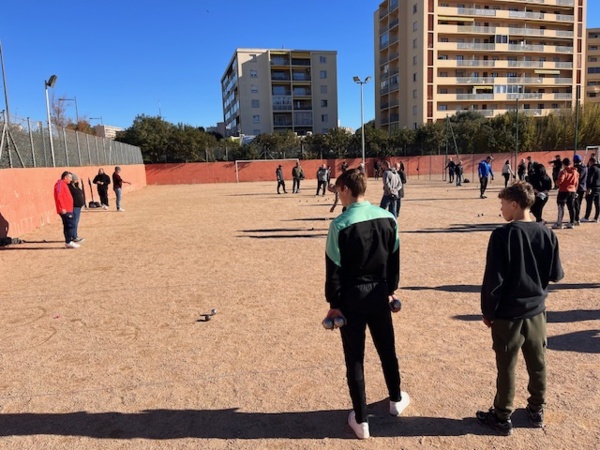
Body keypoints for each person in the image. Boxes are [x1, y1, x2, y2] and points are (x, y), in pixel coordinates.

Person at [324, 169, 409, 440]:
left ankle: (361, 420)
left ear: (347, 189)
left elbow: (333, 269)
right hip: (380, 293)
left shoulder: (339, 224)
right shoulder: (388, 218)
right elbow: (394, 260)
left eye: (338, 189)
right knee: (387, 348)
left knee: (355, 358)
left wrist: (334, 303)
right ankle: (396, 400)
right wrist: (391, 290)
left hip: (351, 298)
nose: (337, 194)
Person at [477, 181, 564, 436]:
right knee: (538, 363)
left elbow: (494, 279)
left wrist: (488, 311)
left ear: (514, 205)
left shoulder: (503, 235)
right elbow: (555, 274)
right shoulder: (547, 233)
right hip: (537, 311)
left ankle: (502, 416)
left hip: (508, 315)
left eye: (503, 204)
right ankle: (536, 409)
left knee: (507, 366)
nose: (501, 209)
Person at [54, 171, 79, 249]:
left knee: (69, 225)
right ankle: (68, 242)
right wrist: (62, 208)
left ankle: (68, 241)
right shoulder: (60, 184)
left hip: (68, 209)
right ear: (65, 177)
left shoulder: (64, 184)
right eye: (70, 178)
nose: (71, 179)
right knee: (70, 225)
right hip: (65, 209)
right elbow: (59, 196)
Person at [552, 158, 579, 229]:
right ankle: (572, 222)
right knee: (571, 207)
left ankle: (559, 223)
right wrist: (575, 189)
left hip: (563, 191)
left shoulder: (563, 171)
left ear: (563, 164)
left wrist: (557, 183)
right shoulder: (575, 171)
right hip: (572, 190)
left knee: (561, 207)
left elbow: (560, 180)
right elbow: (576, 182)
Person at [581, 156, 600, 223]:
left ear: (590, 162)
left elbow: (590, 179)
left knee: (589, 203)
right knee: (597, 203)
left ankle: (587, 217)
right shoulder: (599, 168)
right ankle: (596, 217)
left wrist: (588, 188)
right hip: (598, 188)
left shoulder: (592, 168)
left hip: (592, 188)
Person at [68, 173, 86, 243]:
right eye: (76, 179)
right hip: (74, 206)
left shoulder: (76, 186)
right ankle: (74, 236)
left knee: (76, 221)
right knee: (74, 222)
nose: (77, 181)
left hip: (78, 206)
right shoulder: (70, 187)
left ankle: (74, 235)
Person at [573, 154, 588, 225]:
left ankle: (576, 218)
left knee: (576, 204)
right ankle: (576, 217)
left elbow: (577, 178)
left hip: (577, 188)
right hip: (583, 187)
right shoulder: (585, 167)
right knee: (579, 203)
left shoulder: (577, 168)